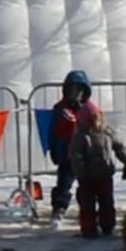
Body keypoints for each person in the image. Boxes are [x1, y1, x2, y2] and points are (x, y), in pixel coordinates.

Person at [67, 101, 126, 239]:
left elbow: (119, 147)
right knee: (87, 204)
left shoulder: (107, 132)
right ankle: (88, 228)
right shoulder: (81, 136)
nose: (95, 122)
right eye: (92, 119)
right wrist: (81, 173)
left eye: (97, 117)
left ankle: (108, 226)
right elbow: (76, 156)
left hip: (105, 174)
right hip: (87, 177)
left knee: (107, 202)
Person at [44, 70, 92, 225]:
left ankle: (88, 211)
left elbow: (97, 130)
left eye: (79, 89)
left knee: (88, 185)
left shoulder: (89, 109)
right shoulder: (60, 108)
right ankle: (59, 209)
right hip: (67, 153)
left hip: (85, 154)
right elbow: (52, 130)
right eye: (72, 89)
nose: (75, 93)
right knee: (63, 184)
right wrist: (53, 148)